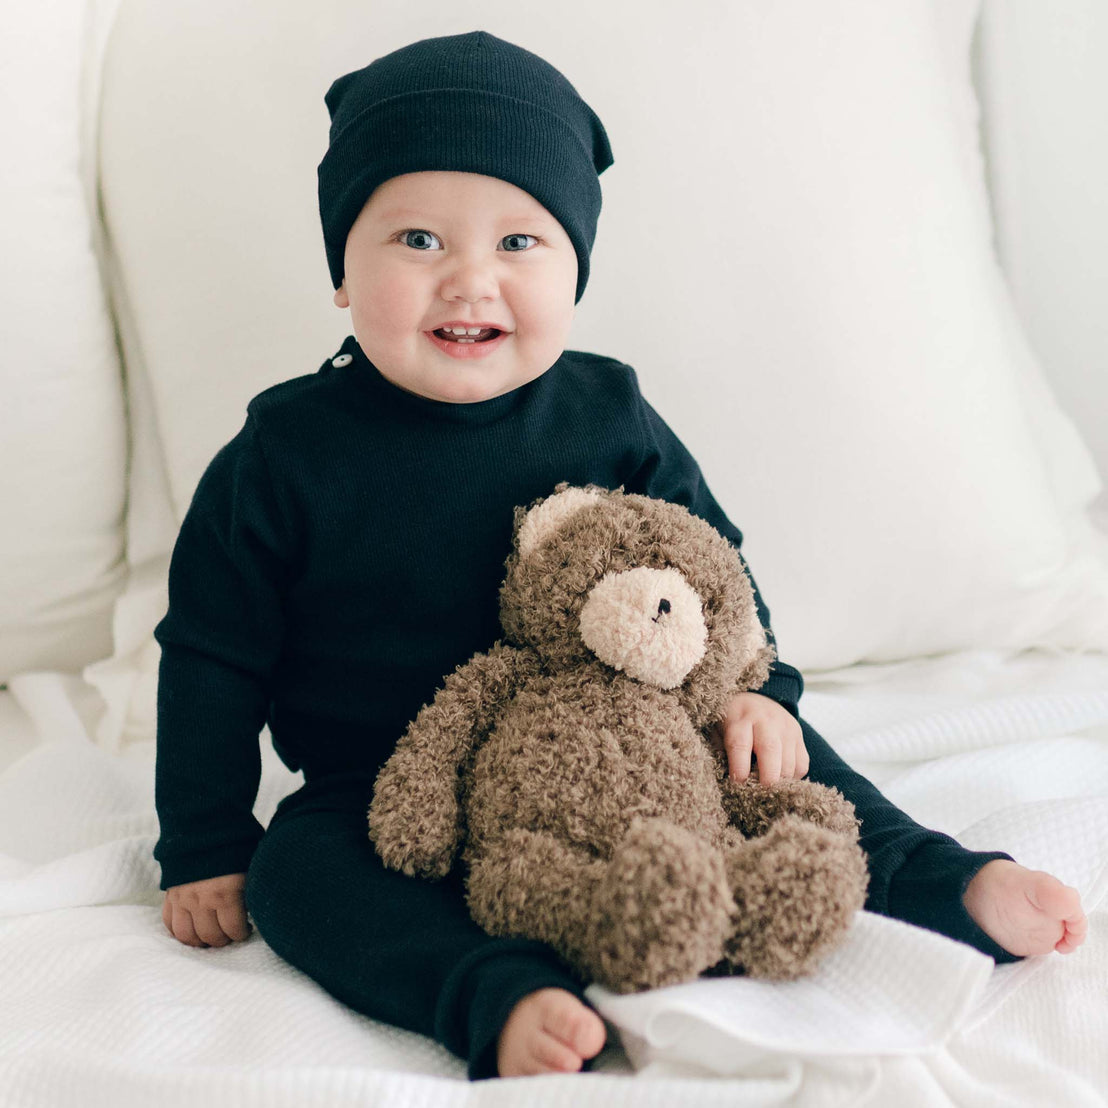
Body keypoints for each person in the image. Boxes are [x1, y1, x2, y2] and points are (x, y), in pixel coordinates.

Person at [154, 30, 1088, 1081]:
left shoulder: (608, 413)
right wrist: (203, 846)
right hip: (387, 784)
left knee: (784, 765)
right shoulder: (284, 454)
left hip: (635, 737)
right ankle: (491, 989)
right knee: (298, 877)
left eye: (519, 242)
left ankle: (937, 877)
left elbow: (713, 568)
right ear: (341, 272)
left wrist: (763, 690)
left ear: (576, 268)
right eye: (417, 239)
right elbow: (209, 660)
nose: (469, 278)